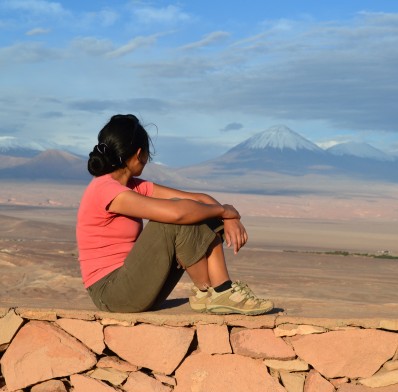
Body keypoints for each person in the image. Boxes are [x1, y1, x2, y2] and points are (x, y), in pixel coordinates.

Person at [76, 114, 273, 315]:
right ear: (139, 153)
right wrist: (224, 211)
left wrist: (229, 216)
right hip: (111, 292)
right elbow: (177, 214)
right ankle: (222, 291)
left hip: (136, 286)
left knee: (197, 211)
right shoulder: (105, 189)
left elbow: (198, 199)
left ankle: (212, 292)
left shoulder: (132, 186)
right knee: (174, 218)